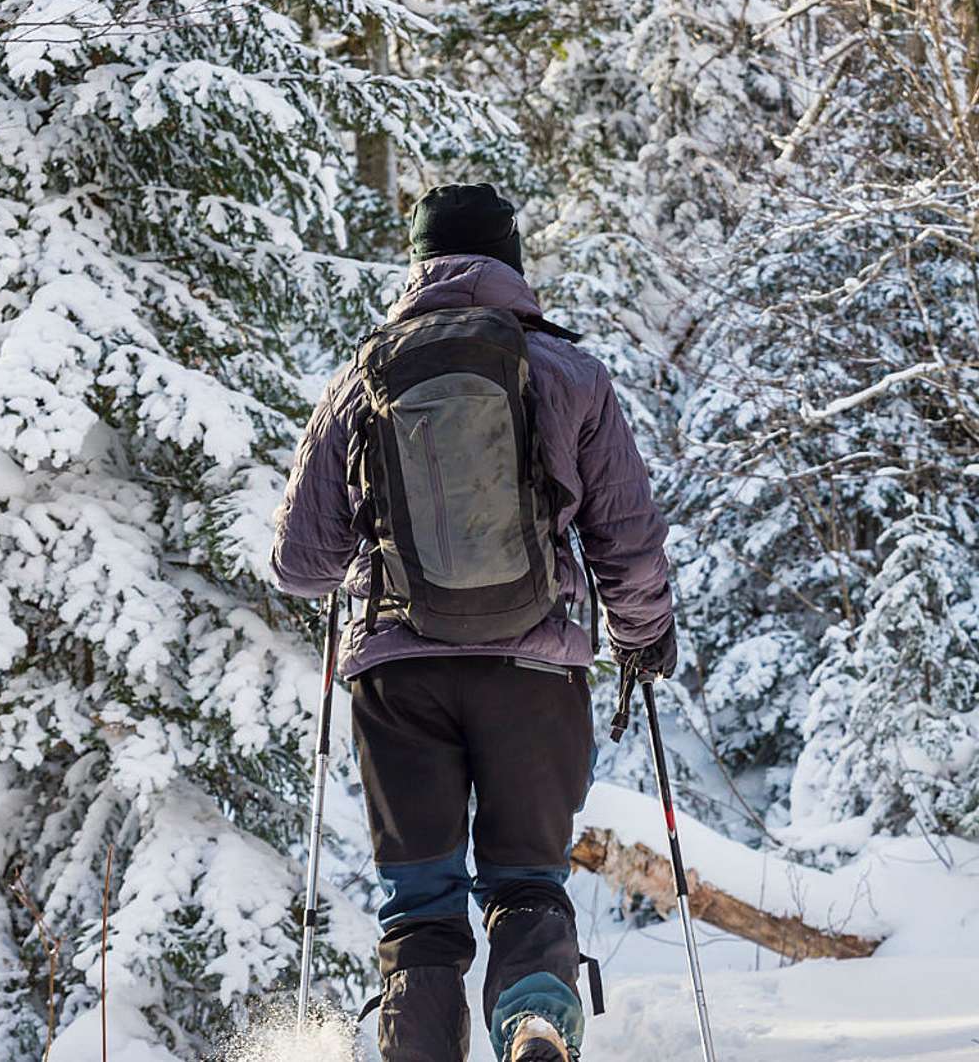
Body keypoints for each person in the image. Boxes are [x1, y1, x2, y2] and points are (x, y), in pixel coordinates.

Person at [270, 182, 677, 1062]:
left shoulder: (365, 374)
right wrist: (645, 636)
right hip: (535, 675)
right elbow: (628, 540)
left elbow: (299, 564)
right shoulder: (570, 372)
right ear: (514, 262)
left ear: (417, 263)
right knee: (527, 880)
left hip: (398, 681)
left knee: (420, 904)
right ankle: (533, 1020)